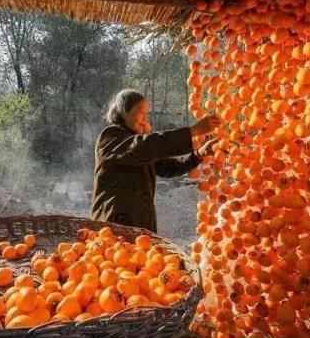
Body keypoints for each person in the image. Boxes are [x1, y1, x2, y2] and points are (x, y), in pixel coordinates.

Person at [90, 89, 220, 233]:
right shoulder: (110, 137)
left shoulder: (141, 145)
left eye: (147, 114)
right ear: (124, 111)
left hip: (139, 227)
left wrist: (199, 153)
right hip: (112, 226)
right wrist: (193, 131)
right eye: (141, 113)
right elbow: (141, 147)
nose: (145, 119)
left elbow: (167, 167)